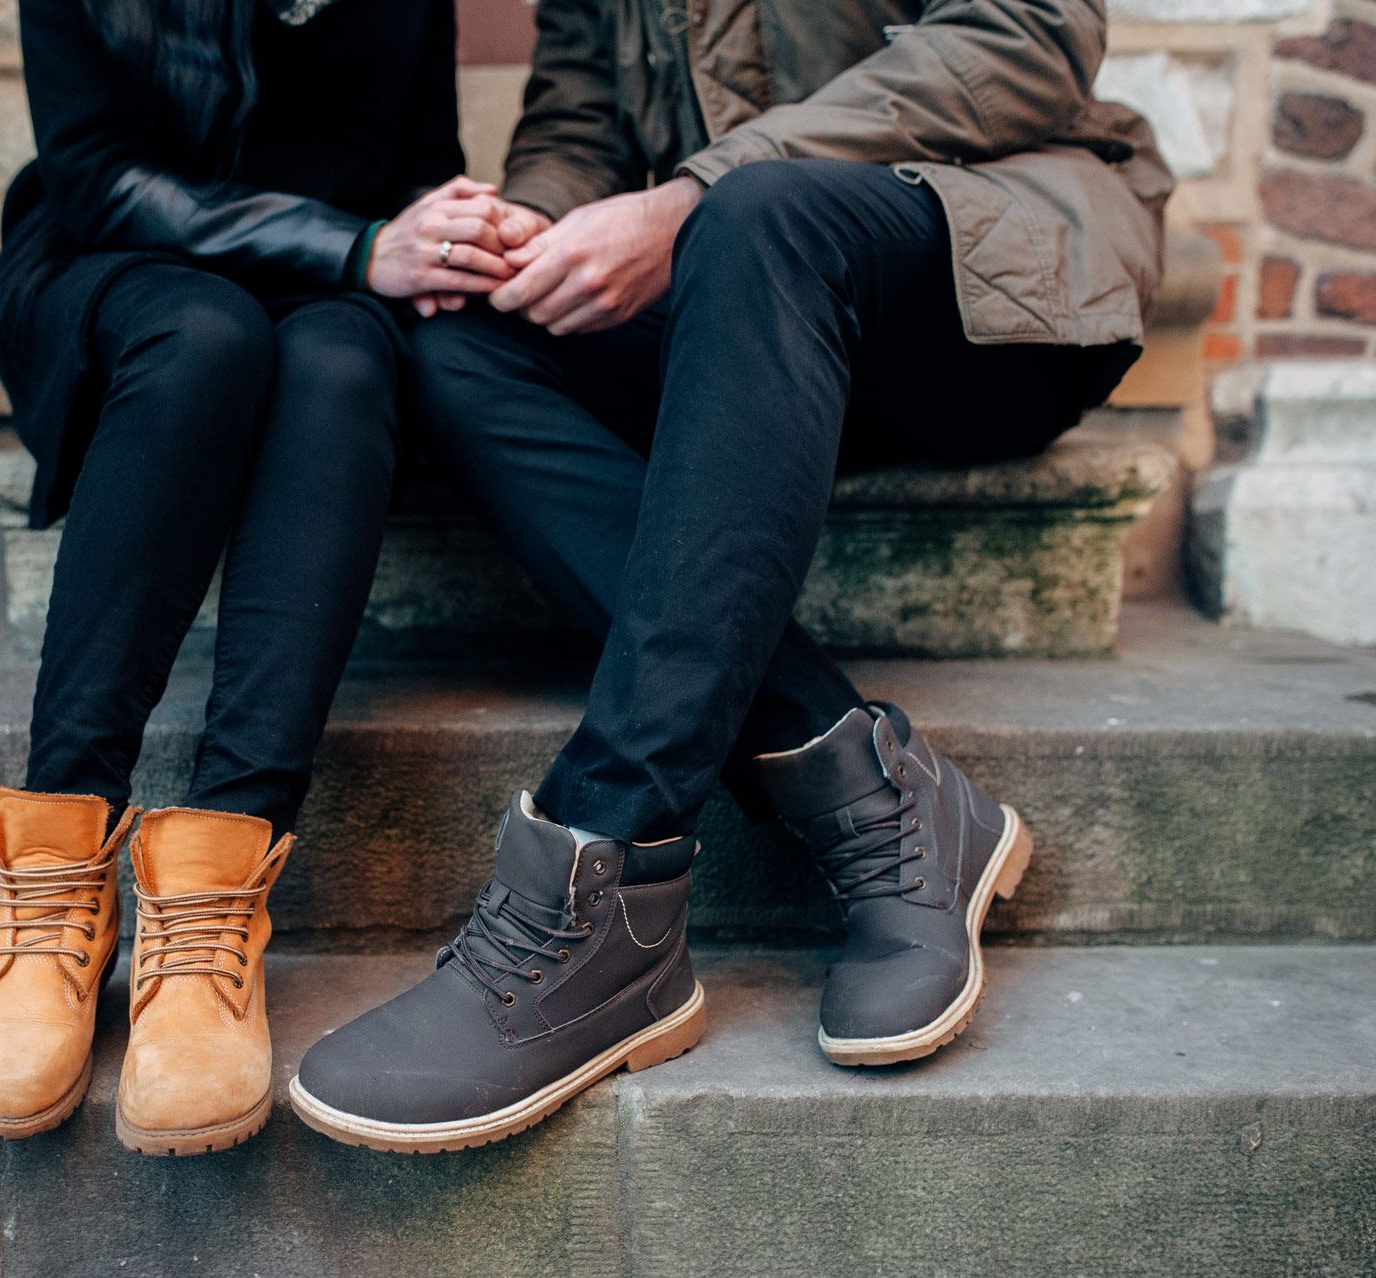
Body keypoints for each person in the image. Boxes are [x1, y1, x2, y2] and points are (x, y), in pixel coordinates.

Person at [290, 0, 1172, 1153]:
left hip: (987, 280)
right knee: (455, 343)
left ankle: (602, 868)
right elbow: (580, 118)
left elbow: (1025, 44)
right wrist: (531, 230)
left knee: (762, 215)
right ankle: (875, 789)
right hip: (742, 301)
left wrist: (694, 193)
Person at [0, 0, 518, 1156]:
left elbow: (416, 175)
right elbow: (97, 177)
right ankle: (56, 878)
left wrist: (437, 240)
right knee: (209, 339)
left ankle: (216, 886)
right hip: (116, 272)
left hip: (328, 293)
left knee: (341, 366)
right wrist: (356, 247)